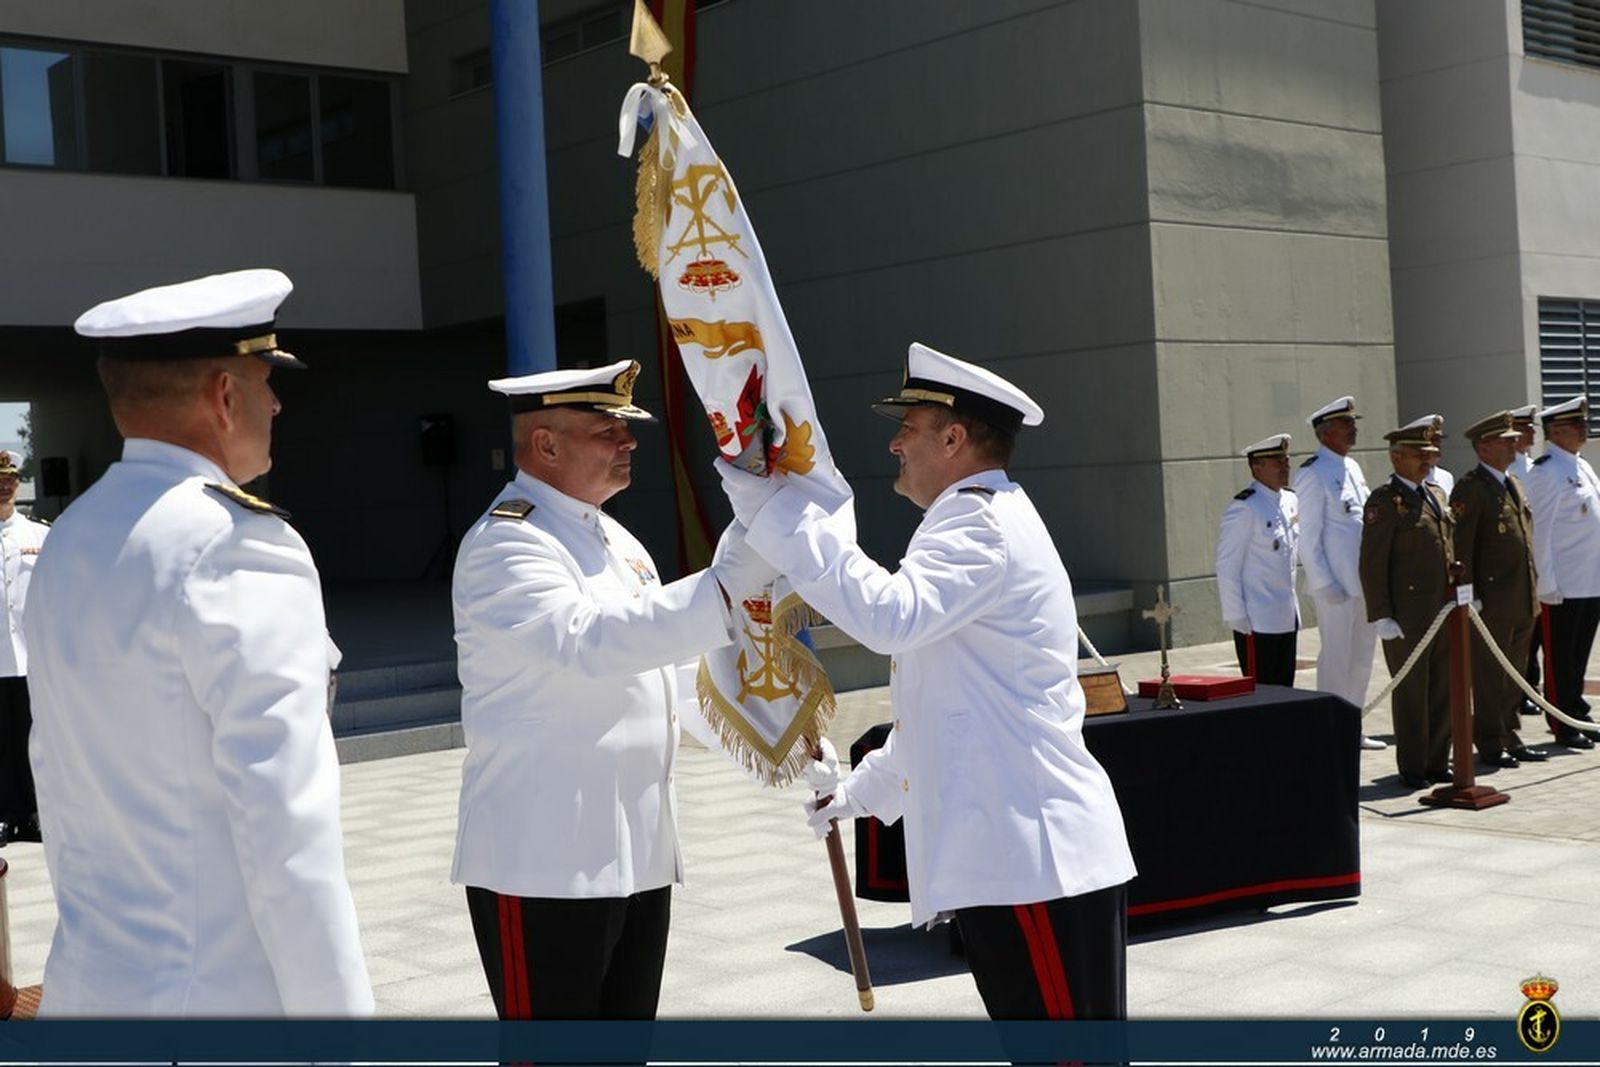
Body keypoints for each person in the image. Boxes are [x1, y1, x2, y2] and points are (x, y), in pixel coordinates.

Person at [720, 342, 1136, 1021]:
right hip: (1017, 860)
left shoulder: (976, 521)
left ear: (953, 438)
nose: (894, 445)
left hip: (1032, 861)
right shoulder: (973, 518)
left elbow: (888, 617)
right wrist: (858, 794)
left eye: (908, 428)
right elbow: (945, 711)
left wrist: (780, 516)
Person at [25, 269, 373, 1016]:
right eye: (264, 381)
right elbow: (286, 822)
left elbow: (54, 771)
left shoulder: (69, 537)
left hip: (90, 992)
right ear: (224, 396)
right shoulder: (238, 543)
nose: (276, 404)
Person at [451, 359, 773, 1021]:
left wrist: (775, 740)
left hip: (638, 856)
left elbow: (674, 677)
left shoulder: (616, 540)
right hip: (544, 862)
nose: (628, 441)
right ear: (546, 444)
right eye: (607, 430)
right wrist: (727, 581)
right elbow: (590, 642)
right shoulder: (506, 543)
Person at [1359, 420, 1455, 789]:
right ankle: (1413, 766)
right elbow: (1372, 563)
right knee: (1413, 691)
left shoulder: (1436, 494)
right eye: (1419, 454)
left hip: (1442, 609)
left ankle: (1437, 760)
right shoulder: (1385, 501)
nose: (1428, 461)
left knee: (1443, 687)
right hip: (1407, 614)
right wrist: (1381, 614)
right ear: (1397, 457)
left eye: (1431, 454)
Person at [1449, 412, 1545, 769]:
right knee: (1490, 676)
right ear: (1484, 447)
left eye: (1512, 439)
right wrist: (1469, 594)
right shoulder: (1472, 488)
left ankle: (1510, 734)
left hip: (1521, 596)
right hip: (1491, 602)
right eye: (1505, 441)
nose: (1513, 445)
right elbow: (1462, 546)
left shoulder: (1512, 483)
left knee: (1514, 673)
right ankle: (1490, 741)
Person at [1293, 396, 1384, 747]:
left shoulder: (1353, 468)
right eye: (1346, 424)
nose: (1353, 429)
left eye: (1353, 423)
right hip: (1335, 585)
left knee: (1361, 658)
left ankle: (1352, 727)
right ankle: (1330, 729)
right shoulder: (1312, 473)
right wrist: (1323, 581)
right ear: (1326, 432)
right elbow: (1308, 536)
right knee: (1336, 658)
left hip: (1363, 582)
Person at [1524, 395, 1600, 750]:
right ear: (1555, 432)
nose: (1584, 430)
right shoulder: (1546, 471)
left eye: (1584, 424)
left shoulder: (1580, 465)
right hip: (1563, 583)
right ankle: (1562, 722)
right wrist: (1546, 582)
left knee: (1579, 654)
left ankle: (1577, 712)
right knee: (1560, 659)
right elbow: (1540, 532)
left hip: (1589, 579)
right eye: (1576, 425)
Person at [1216, 433, 1300, 686]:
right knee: (1261, 694)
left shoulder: (1290, 500)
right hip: (1257, 620)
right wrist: (1236, 616)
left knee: (1285, 693)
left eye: (1286, 461)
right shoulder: (1246, 507)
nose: (1285, 467)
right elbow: (1227, 565)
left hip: (1286, 616)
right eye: (1277, 462)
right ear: (1257, 468)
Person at [0, 449, 48, 845]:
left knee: (35, 739)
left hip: (32, 658)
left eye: (10, 480)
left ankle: (33, 813)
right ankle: (4, 815)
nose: (5, 486)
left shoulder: (41, 535)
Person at [1509, 403, 1543, 711]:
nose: (1532, 432)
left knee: (1537, 635)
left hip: (1540, 562)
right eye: (1525, 427)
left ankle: (1530, 688)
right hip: (1523, 563)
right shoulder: (1513, 472)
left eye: (1532, 427)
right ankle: (1521, 693)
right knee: (1525, 638)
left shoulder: (1533, 467)